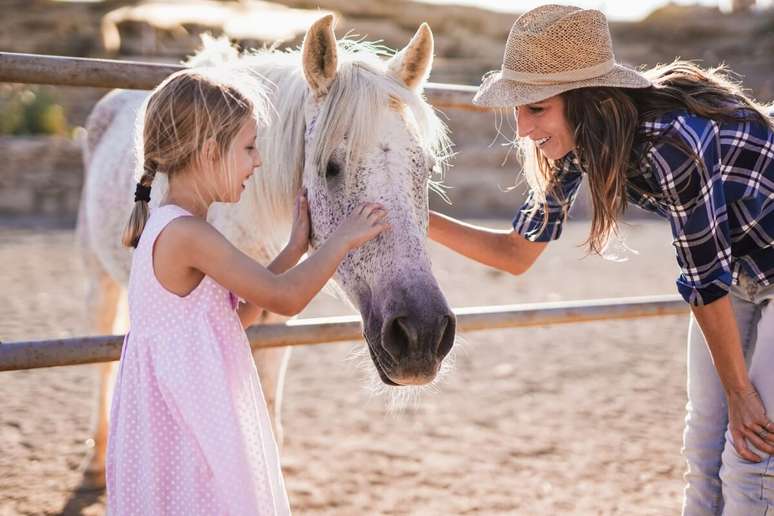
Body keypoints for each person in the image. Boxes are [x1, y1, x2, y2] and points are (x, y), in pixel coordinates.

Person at [429, 5, 774, 515]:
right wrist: (415, 216)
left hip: (740, 271)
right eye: (519, 109)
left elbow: (704, 281)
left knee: (751, 455)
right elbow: (516, 253)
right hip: (739, 270)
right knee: (702, 446)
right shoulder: (577, 144)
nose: (522, 128)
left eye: (537, 108)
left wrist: (741, 392)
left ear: (588, 102)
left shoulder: (671, 142)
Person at [106, 68, 388, 515]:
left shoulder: (178, 227)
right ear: (209, 152)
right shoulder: (187, 236)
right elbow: (285, 298)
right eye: (250, 147)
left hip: (192, 415)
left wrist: (295, 247)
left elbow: (236, 317)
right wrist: (342, 239)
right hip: (190, 428)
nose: (258, 162)